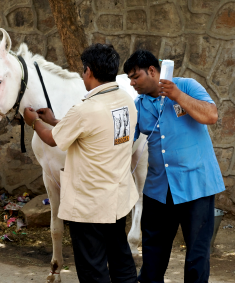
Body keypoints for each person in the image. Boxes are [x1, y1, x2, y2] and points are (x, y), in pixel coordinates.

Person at [24, 43, 138, 283]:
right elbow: (94, 129)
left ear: (88, 71)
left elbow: (52, 140)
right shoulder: (126, 100)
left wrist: (34, 121)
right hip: (117, 199)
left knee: (93, 269)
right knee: (121, 261)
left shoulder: (85, 109)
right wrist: (55, 119)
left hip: (89, 207)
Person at [123, 49, 225, 283]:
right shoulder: (139, 105)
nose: (132, 82)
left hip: (196, 185)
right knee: (152, 254)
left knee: (197, 255)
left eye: (135, 76)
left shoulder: (187, 86)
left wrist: (177, 95)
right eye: (130, 78)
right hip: (158, 190)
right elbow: (123, 137)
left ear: (152, 71)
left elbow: (211, 115)